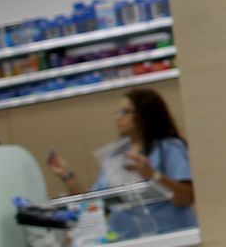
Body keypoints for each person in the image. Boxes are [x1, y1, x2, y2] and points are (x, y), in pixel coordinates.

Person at [48, 87, 197, 236]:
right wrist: (67, 176)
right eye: (118, 112)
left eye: (125, 112)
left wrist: (152, 175)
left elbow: (186, 198)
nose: (117, 117)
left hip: (169, 237)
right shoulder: (115, 157)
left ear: (144, 115)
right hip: (126, 242)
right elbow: (97, 208)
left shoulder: (169, 148)